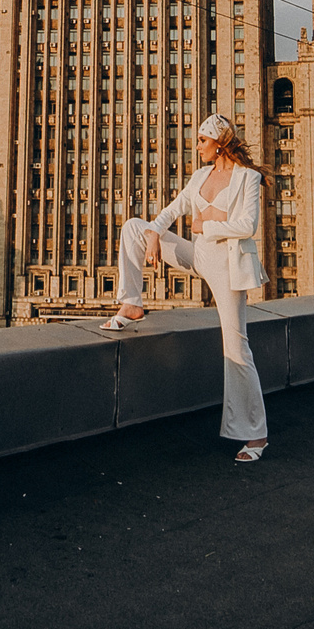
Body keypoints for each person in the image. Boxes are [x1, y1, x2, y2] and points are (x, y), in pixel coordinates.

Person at [103, 112, 269, 462]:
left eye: (203, 141)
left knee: (236, 347)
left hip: (226, 264)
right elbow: (171, 211)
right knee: (134, 227)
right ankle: (131, 303)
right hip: (198, 254)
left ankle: (256, 437)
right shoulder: (199, 176)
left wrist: (206, 225)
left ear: (220, 143)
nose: (198, 148)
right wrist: (153, 234)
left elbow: (248, 225)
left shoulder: (247, 178)